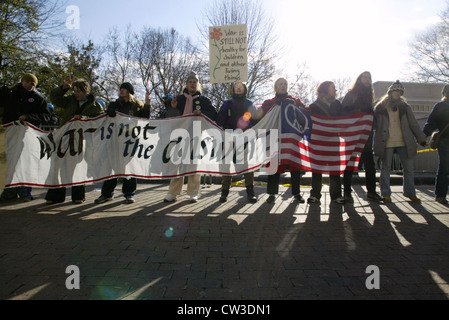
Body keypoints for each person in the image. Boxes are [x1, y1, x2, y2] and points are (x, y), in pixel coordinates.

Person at [45, 76, 104, 205]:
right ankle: (55, 195)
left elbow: (98, 122)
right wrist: (62, 89)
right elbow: (54, 99)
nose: (75, 93)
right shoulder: (69, 101)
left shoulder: (96, 106)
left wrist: (83, 118)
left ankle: (78, 196)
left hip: (82, 140)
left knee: (78, 166)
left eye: (78, 91)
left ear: (85, 91)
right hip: (65, 137)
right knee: (58, 165)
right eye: (74, 90)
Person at [163, 72, 218, 203]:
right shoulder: (179, 99)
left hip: (196, 135)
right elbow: (169, 117)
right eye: (190, 81)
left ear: (197, 84)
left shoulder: (204, 100)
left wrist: (202, 113)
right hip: (179, 135)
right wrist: (173, 107)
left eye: (195, 81)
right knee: (177, 163)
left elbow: (214, 115)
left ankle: (193, 192)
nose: (192, 84)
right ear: (186, 84)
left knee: (193, 164)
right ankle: (173, 192)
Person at [94, 82, 151, 204]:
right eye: (121, 89)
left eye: (124, 89)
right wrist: (109, 111)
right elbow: (107, 116)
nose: (121, 91)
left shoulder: (136, 105)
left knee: (129, 169)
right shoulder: (115, 104)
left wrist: (147, 105)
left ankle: (129, 194)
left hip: (130, 140)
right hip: (115, 140)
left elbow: (144, 119)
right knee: (111, 167)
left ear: (129, 92)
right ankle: (107, 194)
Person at [373, 80, 427, 203]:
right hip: (386, 141)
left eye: (400, 91)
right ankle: (386, 194)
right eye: (395, 90)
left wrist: (421, 139)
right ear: (390, 92)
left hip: (404, 141)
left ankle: (410, 192)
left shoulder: (405, 107)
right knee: (385, 168)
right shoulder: (380, 107)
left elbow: (414, 124)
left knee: (408, 168)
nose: (398, 93)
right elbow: (374, 125)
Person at [0, 73, 51, 202]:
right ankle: (9, 191)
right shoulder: (11, 94)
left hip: (27, 135)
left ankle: (24, 191)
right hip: (10, 133)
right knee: (10, 161)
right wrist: (8, 88)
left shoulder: (37, 99)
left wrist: (29, 117)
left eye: (33, 84)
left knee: (26, 161)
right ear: (23, 81)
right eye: (28, 82)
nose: (30, 86)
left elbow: (46, 116)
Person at [260, 78, 307, 204]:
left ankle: (297, 193)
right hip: (274, 137)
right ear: (275, 87)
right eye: (280, 84)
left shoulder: (295, 100)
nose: (283, 86)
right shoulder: (269, 102)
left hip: (291, 138)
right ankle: (271, 193)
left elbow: (304, 113)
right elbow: (262, 116)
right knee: (273, 165)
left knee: (295, 166)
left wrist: (295, 106)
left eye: (285, 84)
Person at [341, 72, 383, 203]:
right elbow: (343, 113)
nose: (368, 80)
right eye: (365, 77)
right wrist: (358, 111)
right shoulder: (351, 94)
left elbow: (370, 116)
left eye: (370, 78)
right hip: (352, 134)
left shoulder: (370, 96)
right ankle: (347, 192)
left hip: (366, 134)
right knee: (349, 163)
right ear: (359, 79)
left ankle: (371, 192)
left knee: (369, 164)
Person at [216, 81, 259, 203]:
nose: (239, 89)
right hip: (228, 137)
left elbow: (255, 120)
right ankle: (224, 192)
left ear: (245, 89)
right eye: (236, 87)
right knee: (226, 164)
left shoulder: (249, 104)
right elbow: (220, 119)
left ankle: (250, 192)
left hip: (243, 137)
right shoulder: (227, 103)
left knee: (245, 165)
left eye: (241, 87)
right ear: (233, 90)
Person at [307, 81, 346, 205]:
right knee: (317, 168)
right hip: (318, 142)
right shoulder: (314, 106)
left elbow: (343, 120)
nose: (335, 89)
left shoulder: (338, 105)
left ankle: (336, 195)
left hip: (334, 141)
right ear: (325, 89)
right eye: (332, 87)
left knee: (335, 168)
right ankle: (315, 194)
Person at [423, 84, 449, 204]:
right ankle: (440, 195)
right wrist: (423, 136)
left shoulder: (440, 106)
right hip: (445, 140)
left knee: (444, 167)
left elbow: (430, 123)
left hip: (445, 140)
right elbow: (431, 123)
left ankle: (440, 195)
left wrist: (424, 136)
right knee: (444, 167)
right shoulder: (441, 106)